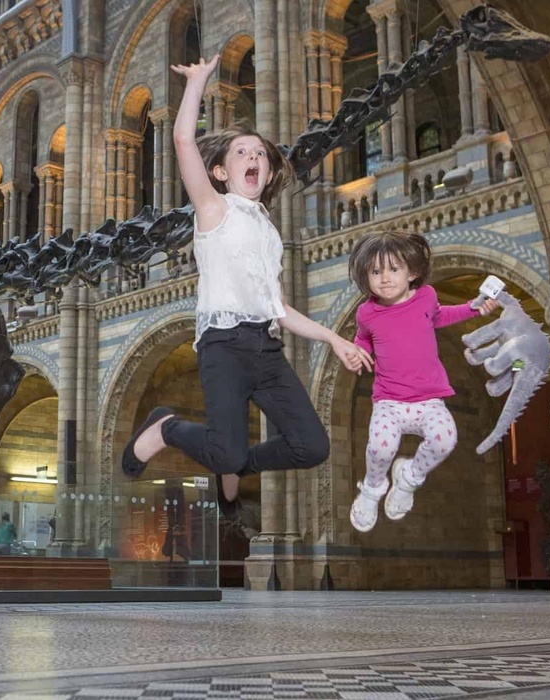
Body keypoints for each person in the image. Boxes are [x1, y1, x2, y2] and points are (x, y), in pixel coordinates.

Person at [121, 54, 370, 512]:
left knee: (311, 447)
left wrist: (335, 338)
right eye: (241, 152)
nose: (253, 156)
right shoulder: (214, 211)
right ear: (221, 172)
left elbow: (278, 308)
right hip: (223, 346)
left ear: (269, 172)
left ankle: (233, 462)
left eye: (260, 153)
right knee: (226, 447)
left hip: (267, 350)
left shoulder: (270, 233)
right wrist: (197, 82)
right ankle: (167, 427)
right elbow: (182, 141)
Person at [346, 231, 498, 532]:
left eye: (393, 269)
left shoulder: (427, 297)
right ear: (366, 276)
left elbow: (439, 317)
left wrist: (472, 308)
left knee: (445, 439)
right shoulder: (367, 313)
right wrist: (357, 354)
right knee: (380, 448)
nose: (384, 278)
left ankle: (408, 479)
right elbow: (362, 340)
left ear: (412, 271)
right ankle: (372, 489)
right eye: (375, 272)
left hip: (429, 400)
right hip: (389, 401)